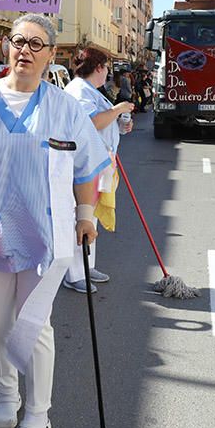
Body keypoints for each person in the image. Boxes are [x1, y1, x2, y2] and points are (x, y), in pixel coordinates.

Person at [0, 13, 109, 428]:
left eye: (37, 44)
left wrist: (86, 215)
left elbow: (85, 168)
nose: (26, 51)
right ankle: (7, 394)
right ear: (5, 46)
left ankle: (38, 415)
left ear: (51, 54)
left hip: (43, 237)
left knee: (33, 326)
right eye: (19, 41)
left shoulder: (64, 109)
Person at [62, 47, 134, 293]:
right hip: (85, 164)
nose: (108, 74)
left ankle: (86, 265)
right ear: (99, 67)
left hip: (97, 162)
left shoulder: (90, 90)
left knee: (90, 216)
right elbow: (91, 123)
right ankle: (74, 273)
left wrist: (119, 125)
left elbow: (102, 123)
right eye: (107, 68)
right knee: (81, 215)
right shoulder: (78, 90)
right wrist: (118, 110)